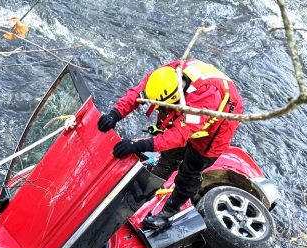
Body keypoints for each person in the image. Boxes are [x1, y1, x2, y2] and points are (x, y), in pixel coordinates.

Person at [97, 59, 243, 230]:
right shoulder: (165, 76)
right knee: (168, 156)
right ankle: (153, 182)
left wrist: (139, 146)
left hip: (221, 120)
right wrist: (115, 114)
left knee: (191, 169)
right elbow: (137, 93)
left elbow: (178, 135)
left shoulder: (204, 100)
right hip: (194, 103)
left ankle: (169, 211)